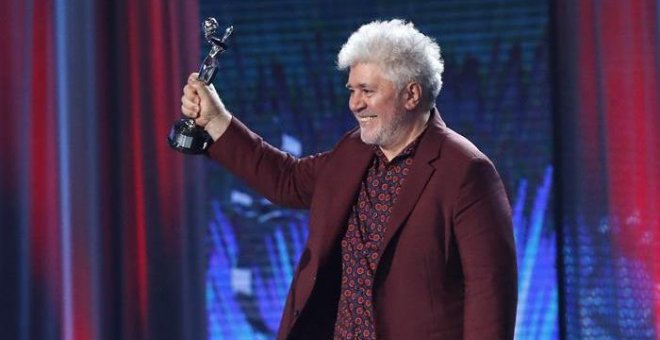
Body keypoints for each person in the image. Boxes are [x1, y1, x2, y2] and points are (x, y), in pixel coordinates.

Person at [180, 19, 517, 340]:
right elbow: (287, 180)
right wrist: (216, 119)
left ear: (411, 95)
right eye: (352, 90)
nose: (355, 104)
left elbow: (489, 293)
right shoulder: (352, 151)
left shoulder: (466, 172)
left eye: (367, 91)